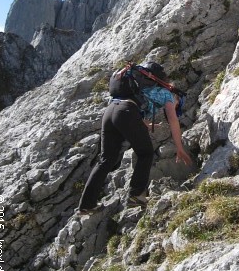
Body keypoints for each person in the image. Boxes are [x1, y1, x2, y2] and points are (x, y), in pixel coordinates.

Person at [78, 61, 192, 213]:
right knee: (145, 153)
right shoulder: (167, 95)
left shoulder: (135, 85)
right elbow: (173, 120)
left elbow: (134, 106)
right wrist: (179, 147)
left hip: (111, 111)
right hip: (126, 112)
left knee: (105, 159)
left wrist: (141, 122)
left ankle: (86, 204)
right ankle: (136, 195)